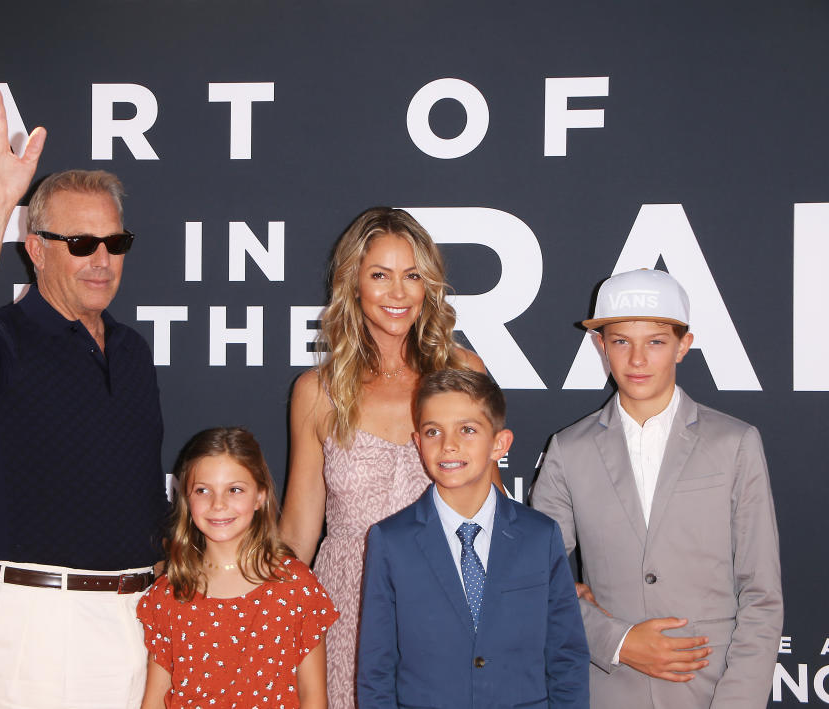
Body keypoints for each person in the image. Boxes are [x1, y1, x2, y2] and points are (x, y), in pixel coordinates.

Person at [0, 80, 168, 708]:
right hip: (43, 623)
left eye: (115, 244)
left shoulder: (134, 351)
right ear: (34, 249)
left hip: (140, 619)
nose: (101, 260)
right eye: (80, 244)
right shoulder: (2, 340)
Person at [531, 268, 783, 708]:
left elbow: (762, 596)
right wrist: (619, 641)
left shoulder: (734, 442)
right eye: (621, 341)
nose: (637, 360)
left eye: (656, 342)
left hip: (711, 694)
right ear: (600, 346)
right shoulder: (568, 449)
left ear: (683, 346)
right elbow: (530, 579)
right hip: (606, 693)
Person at [279, 207, 495, 708]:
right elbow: (298, 531)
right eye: (380, 275)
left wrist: (545, 580)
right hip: (347, 608)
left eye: (412, 276)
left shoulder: (464, 370)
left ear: (429, 286)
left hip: (446, 599)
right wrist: (231, 585)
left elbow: (492, 504)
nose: (398, 293)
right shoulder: (318, 391)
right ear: (353, 282)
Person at [357, 369, 589, 708]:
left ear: (500, 443)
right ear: (418, 443)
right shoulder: (391, 541)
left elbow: (566, 656)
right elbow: (376, 671)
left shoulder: (540, 536)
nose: (448, 445)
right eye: (433, 431)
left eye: (467, 430)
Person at [138, 427, 338, 709]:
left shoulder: (296, 586)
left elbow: (314, 696)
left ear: (260, 496)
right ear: (186, 498)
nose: (218, 504)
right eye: (203, 490)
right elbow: (156, 699)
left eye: (234, 490)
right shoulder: (170, 592)